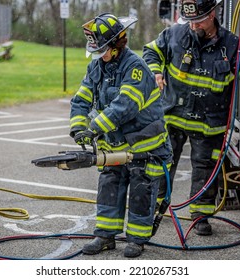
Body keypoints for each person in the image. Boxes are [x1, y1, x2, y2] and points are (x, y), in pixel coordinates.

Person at [70, 13, 172, 258]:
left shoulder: (135, 68)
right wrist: (77, 127)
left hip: (144, 147)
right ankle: (105, 236)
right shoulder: (96, 66)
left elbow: (125, 106)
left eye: (103, 50)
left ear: (117, 44)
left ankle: (137, 240)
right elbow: (81, 98)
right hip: (114, 147)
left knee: (141, 191)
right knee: (109, 187)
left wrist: (93, 128)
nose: (100, 55)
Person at [143, 0, 239, 236]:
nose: (194, 26)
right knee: (162, 164)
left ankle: (200, 215)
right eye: (191, 21)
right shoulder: (175, 34)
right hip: (173, 116)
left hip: (210, 123)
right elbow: (151, 51)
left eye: (199, 20)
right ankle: (156, 207)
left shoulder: (232, 44)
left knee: (204, 168)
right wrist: (155, 71)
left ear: (213, 14)